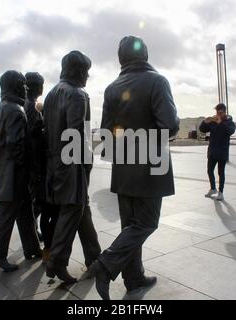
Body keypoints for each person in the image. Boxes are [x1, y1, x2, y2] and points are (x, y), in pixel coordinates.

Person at [90, 36, 180, 300]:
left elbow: (106, 133)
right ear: (146, 55)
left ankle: (134, 277)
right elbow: (169, 125)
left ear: (121, 58)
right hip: (150, 165)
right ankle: (105, 265)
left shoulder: (111, 88)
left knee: (129, 225)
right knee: (147, 223)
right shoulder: (157, 81)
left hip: (122, 166)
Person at [43, 51, 101, 284]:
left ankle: (94, 258)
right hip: (72, 164)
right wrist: (87, 165)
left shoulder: (50, 94)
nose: (87, 76)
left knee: (80, 208)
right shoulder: (77, 95)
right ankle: (56, 263)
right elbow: (79, 135)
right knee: (72, 211)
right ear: (78, 71)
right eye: (86, 71)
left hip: (55, 163)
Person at [0, 70, 42, 272]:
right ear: (16, 86)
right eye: (23, 84)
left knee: (25, 211)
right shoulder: (15, 111)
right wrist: (27, 170)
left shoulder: (1, 107)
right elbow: (16, 145)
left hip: (6, 172)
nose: (26, 88)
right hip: (14, 176)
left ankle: (32, 247)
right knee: (6, 215)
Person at [24, 72, 60, 262]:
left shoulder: (27, 105)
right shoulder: (30, 107)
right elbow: (33, 138)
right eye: (41, 85)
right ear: (37, 87)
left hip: (34, 165)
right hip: (37, 165)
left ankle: (34, 237)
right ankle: (39, 244)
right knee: (40, 204)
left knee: (35, 205)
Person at [199, 104, 235, 201]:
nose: (218, 114)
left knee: (221, 172)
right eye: (217, 112)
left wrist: (220, 123)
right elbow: (202, 129)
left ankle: (221, 192)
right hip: (212, 151)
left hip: (222, 152)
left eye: (220, 112)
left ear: (224, 112)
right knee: (209, 171)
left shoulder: (229, 122)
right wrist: (205, 122)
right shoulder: (213, 122)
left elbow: (230, 132)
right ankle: (213, 188)